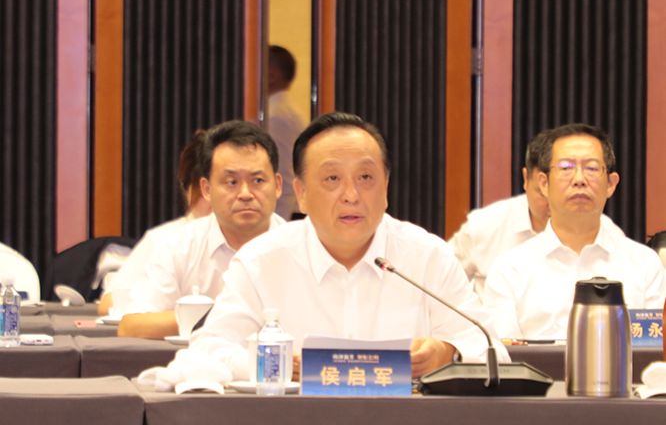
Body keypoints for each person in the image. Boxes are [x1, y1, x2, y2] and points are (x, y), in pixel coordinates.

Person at [178, 112, 508, 382]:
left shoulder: (427, 256)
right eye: (332, 179)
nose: (351, 195)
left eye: (365, 178)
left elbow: (494, 350)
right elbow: (208, 350)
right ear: (301, 193)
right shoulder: (261, 261)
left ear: (386, 187)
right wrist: (271, 363)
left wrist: (448, 353)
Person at [482, 123, 666, 339]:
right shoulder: (509, 270)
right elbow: (504, 354)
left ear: (611, 184)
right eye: (566, 168)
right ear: (543, 184)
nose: (579, 179)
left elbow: (656, 348)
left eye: (591, 168)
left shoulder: (645, 265)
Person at [117, 120, 285, 338]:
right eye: (231, 182)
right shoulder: (180, 246)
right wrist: (217, 317)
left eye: (258, 180)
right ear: (206, 189)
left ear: (278, 186)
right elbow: (131, 326)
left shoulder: (302, 246)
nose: (245, 193)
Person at [450, 129, 624, 294]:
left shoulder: (608, 235)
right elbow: (444, 283)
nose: (552, 201)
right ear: (529, 180)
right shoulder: (483, 226)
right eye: (541, 192)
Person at [98, 129, 212, 316]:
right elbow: (109, 303)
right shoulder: (165, 239)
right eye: (212, 187)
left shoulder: (260, 241)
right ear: (189, 189)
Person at [267, 45, 306, 219]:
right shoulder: (284, 112)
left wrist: (278, 224)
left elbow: (285, 176)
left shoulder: (276, 117)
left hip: (285, 213)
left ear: (271, 76)